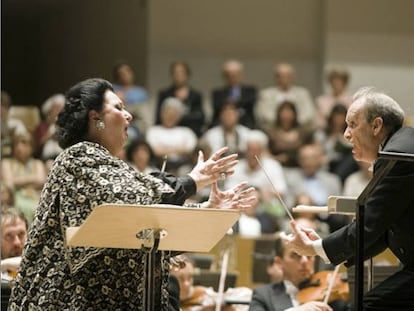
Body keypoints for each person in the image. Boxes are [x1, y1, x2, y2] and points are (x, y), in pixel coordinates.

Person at [8, 78, 257, 310]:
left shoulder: (114, 168)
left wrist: (208, 210)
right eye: (118, 107)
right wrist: (193, 180)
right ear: (96, 118)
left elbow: (146, 230)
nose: (128, 115)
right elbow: (133, 197)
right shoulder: (77, 157)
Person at [284, 87, 414, 310]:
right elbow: (382, 231)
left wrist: (316, 247)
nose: (345, 134)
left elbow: (370, 225)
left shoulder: (397, 156)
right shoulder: (401, 147)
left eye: (353, 124)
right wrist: (321, 245)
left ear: (376, 126)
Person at [249, 234, 347, 311]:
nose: (304, 261)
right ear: (279, 262)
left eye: (309, 255)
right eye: (295, 255)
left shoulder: (332, 294)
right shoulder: (263, 295)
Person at [256, 63, 315, 132]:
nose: (284, 78)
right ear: (276, 78)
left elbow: (308, 113)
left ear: (293, 77)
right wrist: (282, 124)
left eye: (287, 76)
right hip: (273, 131)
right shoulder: (266, 94)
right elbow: (264, 115)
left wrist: (292, 123)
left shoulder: (303, 93)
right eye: (281, 76)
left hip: (299, 130)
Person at [155, 61, 205, 137]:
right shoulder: (164, 94)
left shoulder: (195, 95)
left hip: (191, 133)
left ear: (187, 74)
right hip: (167, 132)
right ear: (171, 75)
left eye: (181, 72)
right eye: (175, 73)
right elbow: (159, 117)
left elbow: (199, 117)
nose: (178, 75)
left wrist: (175, 117)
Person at [210, 60, 257, 129]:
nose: (232, 77)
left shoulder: (250, 91)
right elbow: (218, 108)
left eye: (235, 74)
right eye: (228, 75)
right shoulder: (217, 93)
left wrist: (230, 103)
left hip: (247, 125)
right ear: (224, 76)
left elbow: (249, 105)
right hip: (221, 127)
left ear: (241, 75)